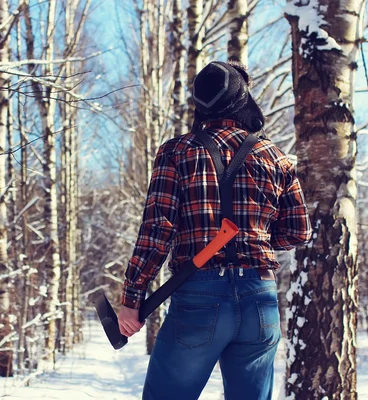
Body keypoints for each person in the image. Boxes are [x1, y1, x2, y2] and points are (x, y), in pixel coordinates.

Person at [118, 61, 312, 400]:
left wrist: (132, 299)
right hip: (259, 299)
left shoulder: (177, 152)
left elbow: (157, 231)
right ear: (243, 101)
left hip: (200, 298)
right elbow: (298, 231)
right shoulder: (275, 157)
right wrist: (257, 237)